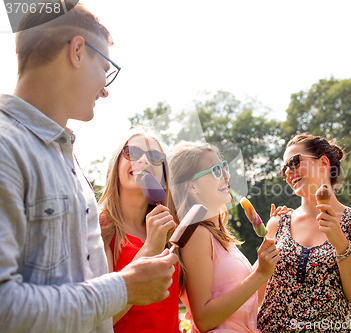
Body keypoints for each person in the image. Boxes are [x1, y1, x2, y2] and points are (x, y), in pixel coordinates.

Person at [0, 3, 177, 332]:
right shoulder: (6, 147)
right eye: (105, 69)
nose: (106, 90)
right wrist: (123, 287)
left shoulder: (65, 155)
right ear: (78, 51)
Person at [258, 134, 351, 332]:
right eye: (284, 168)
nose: (288, 172)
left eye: (294, 162)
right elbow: (256, 293)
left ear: (323, 163)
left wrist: (341, 245)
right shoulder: (277, 224)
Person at [169, 141, 282, 333]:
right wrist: (260, 274)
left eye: (223, 167)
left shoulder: (220, 238)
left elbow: (247, 302)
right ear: (191, 187)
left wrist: (275, 235)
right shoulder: (196, 235)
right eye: (215, 170)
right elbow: (204, 320)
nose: (226, 175)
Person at [99, 132, 181, 332]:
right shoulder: (100, 226)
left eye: (154, 157)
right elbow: (101, 321)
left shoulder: (169, 231)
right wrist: (150, 248)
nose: (143, 160)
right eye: (132, 152)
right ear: (116, 165)